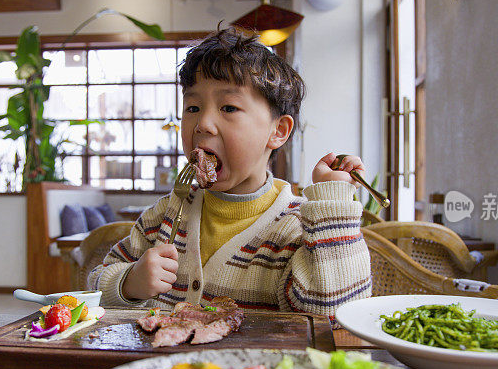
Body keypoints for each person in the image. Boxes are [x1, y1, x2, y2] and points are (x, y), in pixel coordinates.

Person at [88, 28, 371, 323]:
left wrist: (334, 200)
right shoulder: (168, 214)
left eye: (229, 108)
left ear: (278, 131)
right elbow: (95, 282)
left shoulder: (296, 227)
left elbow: (334, 315)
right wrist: (129, 282)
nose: (203, 124)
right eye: (193, 107)